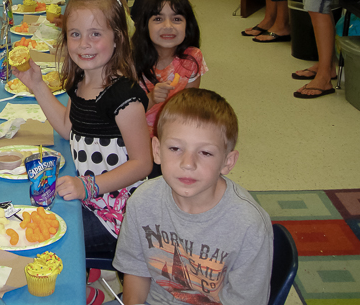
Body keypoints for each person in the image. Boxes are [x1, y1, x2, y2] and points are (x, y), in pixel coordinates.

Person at [12, 0, 152, 267]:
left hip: (118, 216)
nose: (84, 44)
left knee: (41, 237)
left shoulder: (124, 97)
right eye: (75, 34)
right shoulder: (81, 82)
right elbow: (66, 128)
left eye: (95, 34)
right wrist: (38, 85)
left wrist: (88, 187)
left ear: (118, 38)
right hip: (92, 199)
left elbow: (142, 164)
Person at [114, 89, 273, 305]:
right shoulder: (142, 201)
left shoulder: (248, 225)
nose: (188, 163)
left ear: (227, 161)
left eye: (205, 152)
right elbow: (136, 271)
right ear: (157, 150)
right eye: (175, 148)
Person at [133, 0, 206, 133]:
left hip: (173, 132)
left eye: (177, 19)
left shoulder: (192, 58)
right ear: (145, 26)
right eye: (158, 19)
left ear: (188, 26)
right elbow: (122, 112)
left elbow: (189, 107)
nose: (168, 26)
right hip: (135, 132)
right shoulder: (129, 60)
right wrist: (151, 99)